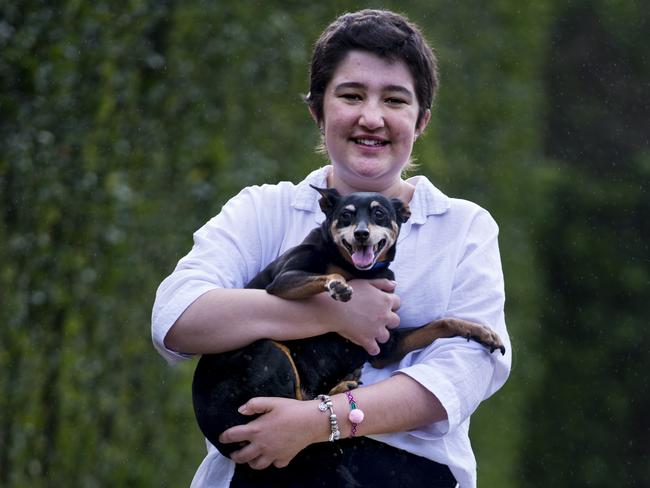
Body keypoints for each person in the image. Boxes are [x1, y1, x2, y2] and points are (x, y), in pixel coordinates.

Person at [152, 9, 511, 488]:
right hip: (261, 468)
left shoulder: (463, 227)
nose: (371, 117)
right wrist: (329, 313)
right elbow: (175, 318)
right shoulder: (264, 209)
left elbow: (462, 374)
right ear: (317, 110)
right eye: (351, 95)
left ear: (421, 120)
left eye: (395, 100)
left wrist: (319, 421)